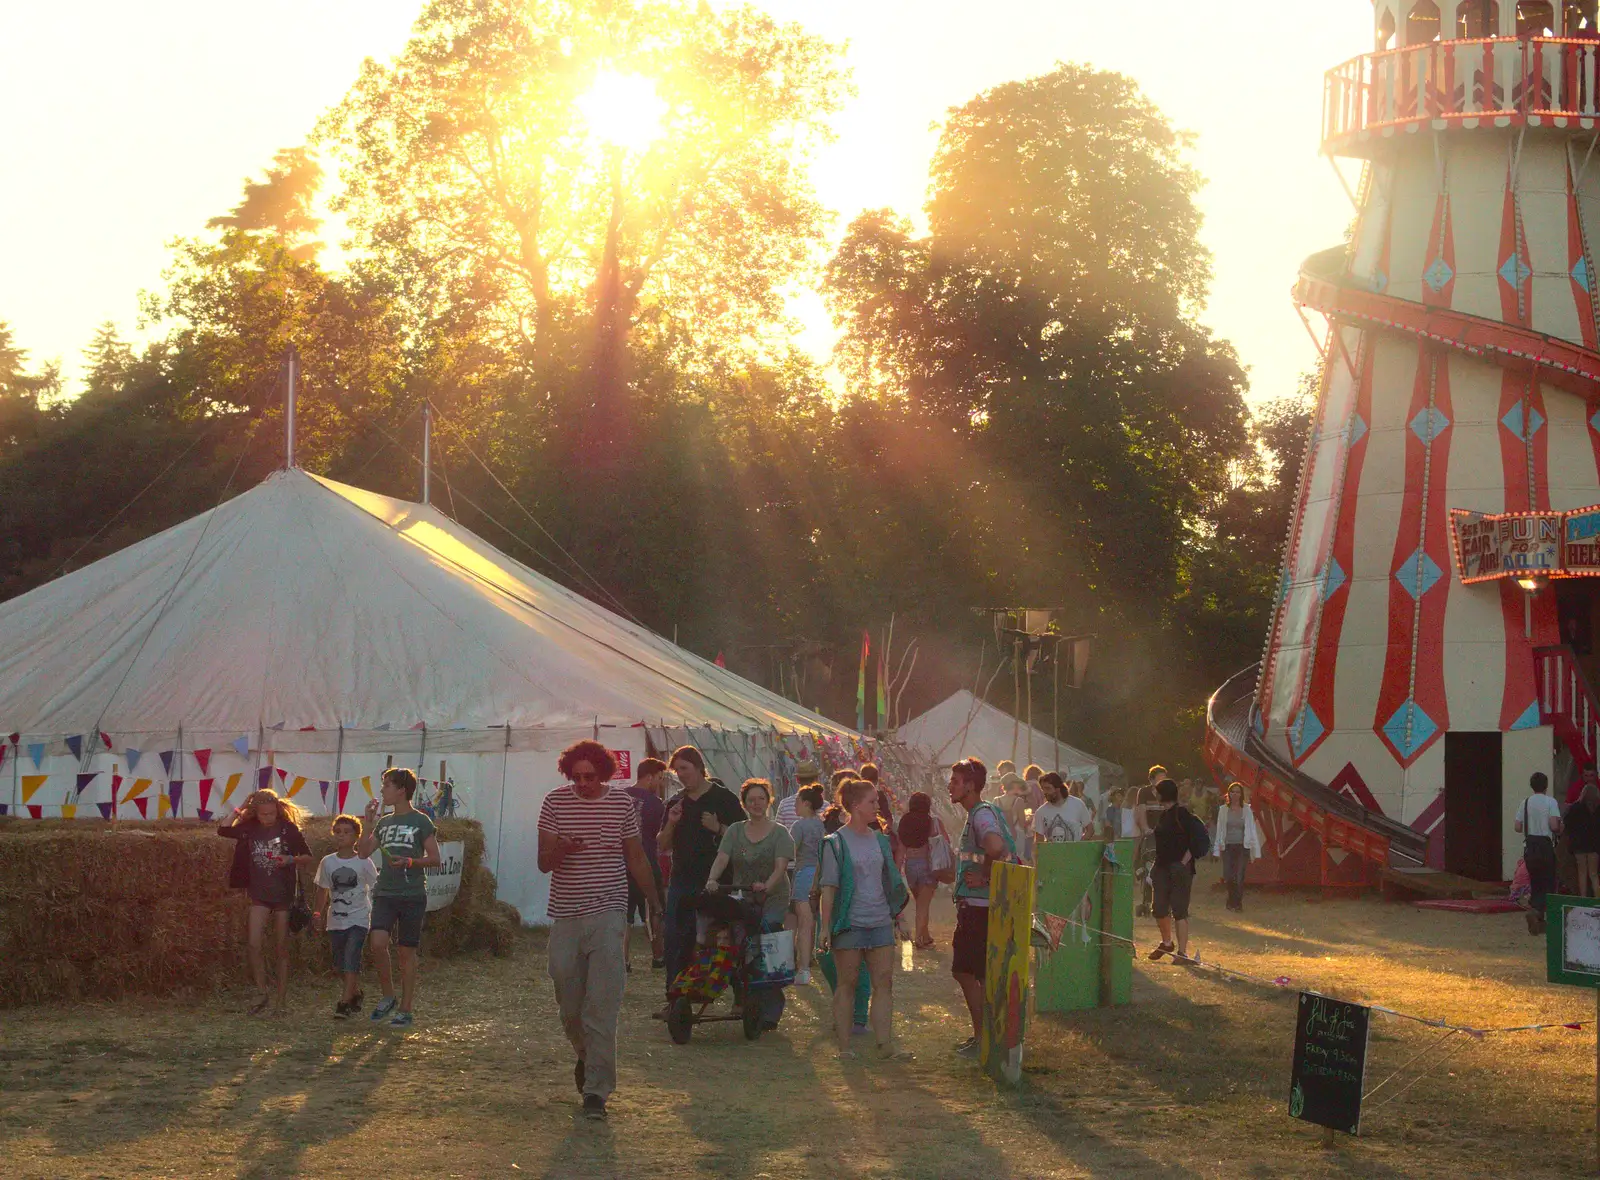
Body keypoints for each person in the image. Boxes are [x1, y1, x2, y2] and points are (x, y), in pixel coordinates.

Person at [538, 740, 662, 1121]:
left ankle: (596, 1092)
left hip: (609, 910)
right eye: (576, 777)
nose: (582, 784)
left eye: (589, 777)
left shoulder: (622, 804)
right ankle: (586, 1056)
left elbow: (636, 857)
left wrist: (655, 902)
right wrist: (562, 850)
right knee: (569, 1004)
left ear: (604, 773)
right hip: (566, 913)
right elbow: (543, 863)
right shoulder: (554, 803)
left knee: (601, 1006)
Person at [818, 778, 913, 1061]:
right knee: (847, 983)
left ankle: (885, 1045)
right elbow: (828, 887)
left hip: (880, 920)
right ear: (856, 805)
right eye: (872, 801)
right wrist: (825, 927)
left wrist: (900, 917)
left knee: (884, 982)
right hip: (850, 923)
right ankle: (845, 1048)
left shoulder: (880, 840)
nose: (877, 807)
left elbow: (891, 882)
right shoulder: (835, 843)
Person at [656, 745, 746, 1005]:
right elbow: (662, 845)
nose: (681, 775)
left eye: (684, 769)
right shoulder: (675, 803)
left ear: (699, 768)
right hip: (682, 878)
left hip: (717, 881)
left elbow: (742, 839)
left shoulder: (724, 799)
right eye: (677, 771)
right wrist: (672, 823)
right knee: (676, 936)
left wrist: (718, 827)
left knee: (724, 937)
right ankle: (675, 998)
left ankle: (740, 996)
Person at [704, 779, 795, 1030]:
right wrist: (712, 879)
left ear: (769, 801)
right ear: (744, 803)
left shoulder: (780, 833)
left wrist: (767, 885)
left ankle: (771, 1010)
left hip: (773, 897)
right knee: (739, 946)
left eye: (761, 799)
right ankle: (743, 998)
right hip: (743, 896)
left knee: (768, 944)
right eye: (751, 800)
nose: (756, 804)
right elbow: (722, 858)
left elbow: (780, 867)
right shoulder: (734, 830)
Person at [357, 767, 442, 1028]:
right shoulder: (384, 823)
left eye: (386, 785)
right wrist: (368, 823)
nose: (382, 790)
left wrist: (410, 861)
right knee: (378, 943)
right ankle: (388, 996)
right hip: (385, 892)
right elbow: (362, 853)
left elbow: (435, 859)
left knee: (406, 952)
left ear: (401, 790)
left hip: (412, 894)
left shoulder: (421, 821)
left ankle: (406, 1008)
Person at [218, 788, 313, 1016]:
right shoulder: (249, 829)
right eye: (263, 814)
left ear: (278, 810)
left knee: (281, 948)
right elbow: (222, 829)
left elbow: (308, 857)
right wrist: (242, 804)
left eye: (271, 813)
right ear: (255, 813)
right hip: (259, 894)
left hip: (283, 894)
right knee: (253, 944)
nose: (268, 818)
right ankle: (262, 993)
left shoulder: (287, 829)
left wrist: (290, 859)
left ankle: (281, 1001)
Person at [948, 757, 1018, 1059]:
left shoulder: (981, 813)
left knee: (964, 971)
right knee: (979, 974)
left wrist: (986, 874)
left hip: (980, 908)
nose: (950, 786)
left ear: (970, 786)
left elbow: (995, 847)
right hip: (984, 907)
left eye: (955, 781)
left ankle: (983, 1037)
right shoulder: (979, 813)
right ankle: (988, 1035)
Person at [312, 813, 379, 1018]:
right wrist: (317, 913)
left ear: (356, 837)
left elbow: (376, 886)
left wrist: (378, 916)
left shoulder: (364, 862)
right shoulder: (327, 862)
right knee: (340, 963)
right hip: (336, 919)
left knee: (352, 956)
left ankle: (343, 1003)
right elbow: (323, 890)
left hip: (358, 917)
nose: (341, 836)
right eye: (338, 832)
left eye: (346, 832)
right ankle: (355, 992)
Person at [1147, 778, 1199, 964]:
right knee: (1159, 908)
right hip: (1161, 867)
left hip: (1179, 869)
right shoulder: (1163, 815)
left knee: (1179, 910)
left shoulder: (1182, 813)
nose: (1155, 794)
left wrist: (1183, 862)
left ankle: (1182, 953)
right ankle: (1167, 943)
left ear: (1163, 794)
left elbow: (1197, 840)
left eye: (1157, 791)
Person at [623, 757, 668, 971]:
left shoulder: (619, 796)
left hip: (620, 864)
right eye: (659, 779)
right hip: (647, 862)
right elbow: (658, 837)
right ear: (649, 777)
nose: (660, 784)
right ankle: (658, 957)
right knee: (654, 910)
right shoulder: (655, 803)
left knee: (624, 914)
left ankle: (623, 960)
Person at [894, 790, 948, 949]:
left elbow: (901, 849)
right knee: (923, 905)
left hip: (910, 866)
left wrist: (896, 872)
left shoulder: (904, 822)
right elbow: (945, 841)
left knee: (921, 903)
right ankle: (919, 938)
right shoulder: (932, 822)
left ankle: (925, 935)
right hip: (927, 865)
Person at [1515, 770, 1565, 934]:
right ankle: (1537, 913)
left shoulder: (1525, 802)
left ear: (1532, 786)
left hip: (1529, 846)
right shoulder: (1551, 802)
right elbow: (1554, 826)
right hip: (1545, 845)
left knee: (1536, 882)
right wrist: (1559, 827)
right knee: (1549, 882)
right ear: (1546, 785)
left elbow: (1518, 827)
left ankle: (1538, 919)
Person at [787, 783, 826, 983]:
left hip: (804, 873)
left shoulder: (799, 825)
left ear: (806, 804)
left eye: (797, 802)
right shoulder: (821, 824)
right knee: (811, 921)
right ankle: (807, 959)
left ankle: (801, 968)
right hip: (820, 875)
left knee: (803, 922)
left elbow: (789, 850)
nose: (795, 805)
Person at [1211, 782, 1262, 912]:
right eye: (1232, 791)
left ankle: (1237, 904)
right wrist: (1217, 849)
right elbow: (1220, 830)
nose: (1235, 794)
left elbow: (1251, 829)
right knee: (1228, 875)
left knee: (1239, 876)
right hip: (1228, 846)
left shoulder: (1246, 810)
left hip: (1242, 847)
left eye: (1237, 792)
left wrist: (1255, 849)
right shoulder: (1223, 810)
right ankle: (1231, 900)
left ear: (1241, 794)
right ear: (1229, 794)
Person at [1032, 772, 1091, 847]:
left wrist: (1078, 846)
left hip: (1076, 856)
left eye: (1048, 788)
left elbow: (1090, 829)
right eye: (1043, 789)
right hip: (1053, 857)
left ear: (1058, 788)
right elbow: (1039, 842)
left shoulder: (1077, 804)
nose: (1045, 792)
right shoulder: (1040, 812)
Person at [1570, 781, 1600, 898]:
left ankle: (1583, 900)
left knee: (1582, 873)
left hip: (1579, 846)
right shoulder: (1598, 809)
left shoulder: (1575, 808)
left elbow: (1569, 825)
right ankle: (1598, 901)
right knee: (1593, 874)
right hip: (1594, 846)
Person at [776, 759, 820, 828]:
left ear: (797, 780)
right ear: (817, 779)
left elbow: (777, 834)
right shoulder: (825, 806)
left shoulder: (784, 805)